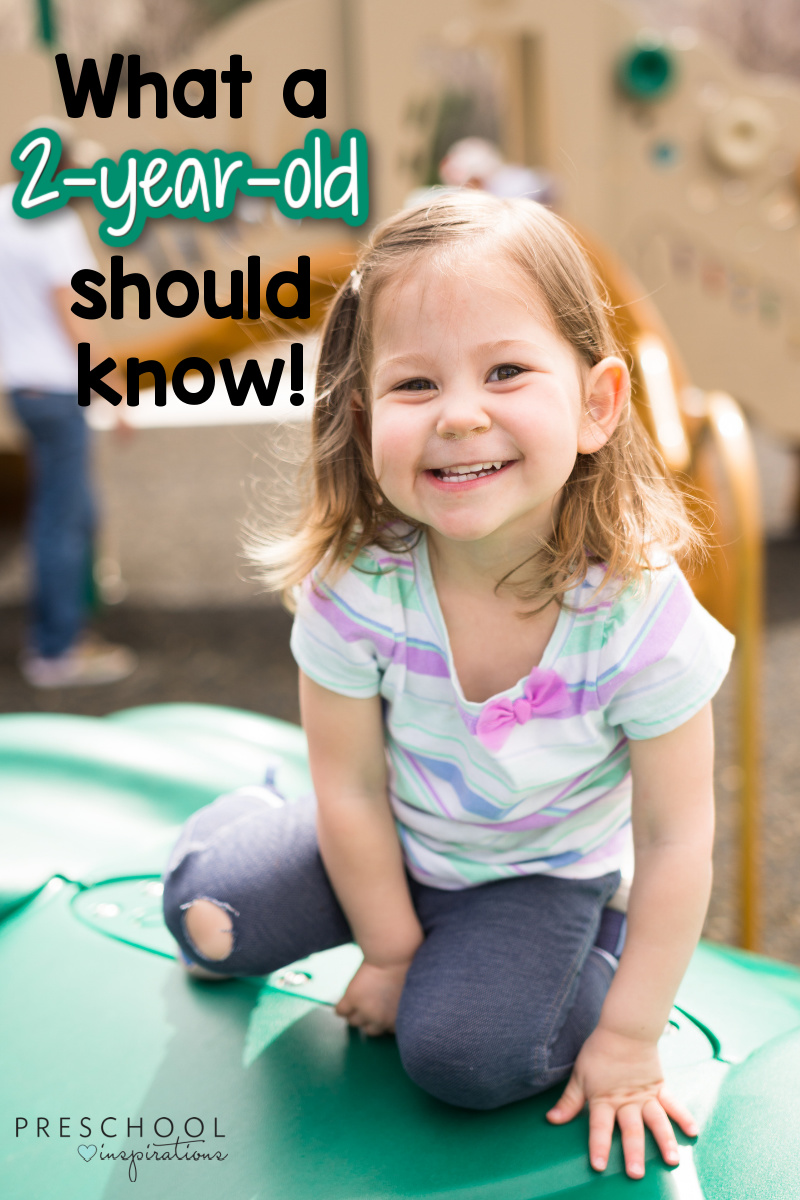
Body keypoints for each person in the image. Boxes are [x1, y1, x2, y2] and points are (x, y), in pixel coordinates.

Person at [162, 192, 734, 1180]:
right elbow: (346, 787)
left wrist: (629, 1040)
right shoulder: (359, 584)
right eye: (414, 383)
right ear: (362, 416)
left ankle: (575, 962)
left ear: (597, 404)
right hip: (381, 829)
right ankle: (255, 817)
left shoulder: (639, 616)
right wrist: (385, 948)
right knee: (205, 924)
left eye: (505, 371)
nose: (459, 413)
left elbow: (677, 839)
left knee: (461, 1057)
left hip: (534, 876)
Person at [0, 122, 136, 687]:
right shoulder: (50, 221)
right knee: (62, 518)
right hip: (56, 389)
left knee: (73, 511)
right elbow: (74, 315)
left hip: (20, 389)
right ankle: (56, 648)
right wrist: (114, 392)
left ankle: (71, 634)